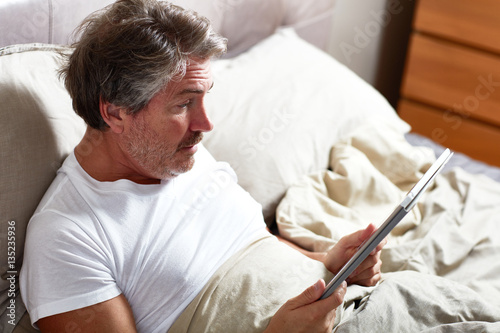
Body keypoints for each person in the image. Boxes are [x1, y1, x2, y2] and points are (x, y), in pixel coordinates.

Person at [19, 0, 385, 332]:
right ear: (115, 111)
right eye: (183, 105)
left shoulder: (177, 156)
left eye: (205, 97)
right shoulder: (66, 238)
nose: (206, 124)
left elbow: (249, 243)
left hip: (364, 305)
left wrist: (329, 262)